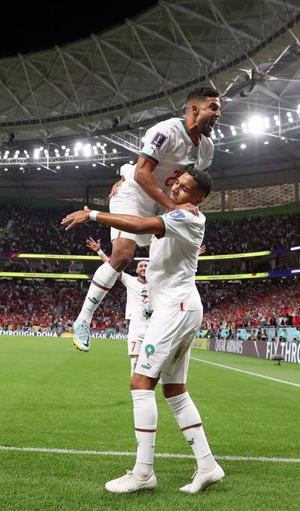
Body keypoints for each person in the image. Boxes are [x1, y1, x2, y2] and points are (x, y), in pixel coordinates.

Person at [62, 168, 225, 494]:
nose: (176, 189)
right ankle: (207, 465)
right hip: (183, 307)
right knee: (175, 391)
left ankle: (143, 473)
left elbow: (136, 226)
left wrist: (91, 213)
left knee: (140, 383)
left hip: (175, 309)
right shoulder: (176, 212)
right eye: (176, 184)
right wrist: (124, 181)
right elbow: (142, 175)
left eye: (185, 189)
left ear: (198, 200)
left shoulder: (186, 219)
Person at [71, 87, 221, 352]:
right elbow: (142, 173)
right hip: (135, 195)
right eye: (213, 108)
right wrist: (174, 206)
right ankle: (83, 320)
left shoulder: (207, 148)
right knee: (122, 256)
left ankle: (154, 301)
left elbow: (195, 186)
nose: (218, 114)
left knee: (168, 256)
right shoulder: (166, 131)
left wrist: (179, 214)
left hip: (165, 200)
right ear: (195, 110)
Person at [86, 238, 150, 376]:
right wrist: (99, 251)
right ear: (137, 269)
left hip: (153, 324)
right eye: (141, 266)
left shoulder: (158, 282)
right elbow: (112, 266)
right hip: (136, 325)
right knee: (134, 359)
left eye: (146, 266)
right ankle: (136, 385)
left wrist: (192, 259)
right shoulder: (130, 281)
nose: (144, 268)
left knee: (153, 359)